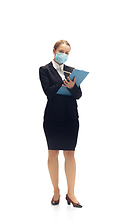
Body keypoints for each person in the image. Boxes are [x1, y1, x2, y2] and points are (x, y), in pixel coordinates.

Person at [39, 40, 82, 208]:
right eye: (61, 51)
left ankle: (71, 193)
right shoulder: (44, 70)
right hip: (53, 118)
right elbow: (49, 92)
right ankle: (56, 191)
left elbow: (78, 94)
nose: (64, 54)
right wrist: (65, 83)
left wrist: (73, 86)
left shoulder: (72, 71)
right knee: (53, 154)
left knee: (70, 154)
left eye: (67, 52)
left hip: (71, 118)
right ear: (54, 51)